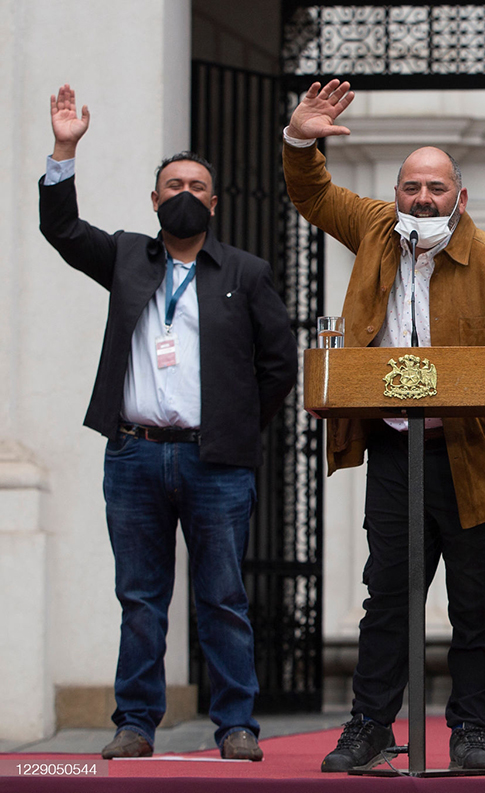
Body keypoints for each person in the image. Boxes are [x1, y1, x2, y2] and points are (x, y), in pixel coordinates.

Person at [281, 79, 485, 774]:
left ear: (459, 198)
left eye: (436, 187)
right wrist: (301, 138)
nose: (422, 198)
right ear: (396, 193)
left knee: (477, 607)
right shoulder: (375, 230)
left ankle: (472, 732)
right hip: (394, 449)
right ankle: (369, 726)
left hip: (477, 458)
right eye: (411, 186)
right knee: (389, 600)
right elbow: (312, 194)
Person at [38, 85, 298, 761]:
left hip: (216, 462)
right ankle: (135, 721)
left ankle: (236, 723)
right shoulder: (127, 256)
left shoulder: (247, 271)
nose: (185, 191)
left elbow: (279, 365)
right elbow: (63, 231)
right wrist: (65, 149)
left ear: (214, 203)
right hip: (135, 456)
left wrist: (237, 429)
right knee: (141, 599)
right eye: (172, 183)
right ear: (155, 201)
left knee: (222, 597)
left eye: (197, 185)